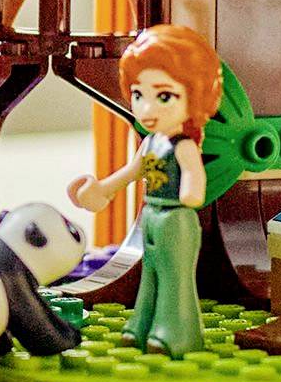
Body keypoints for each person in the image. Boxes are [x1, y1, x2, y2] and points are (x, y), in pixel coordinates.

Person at [69, 24, 222, 358]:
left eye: (164, 96)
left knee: (175, 279)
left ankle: (176, 334)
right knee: (150, 275)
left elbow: (194, 177)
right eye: (139, 95)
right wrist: (101, 191)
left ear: (193, 97)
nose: (148, 109)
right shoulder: (151, 142)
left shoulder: (183, 145)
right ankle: (141, 325)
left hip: (175, 219)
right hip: (151, 215)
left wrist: (192, 191)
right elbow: (130, 172)